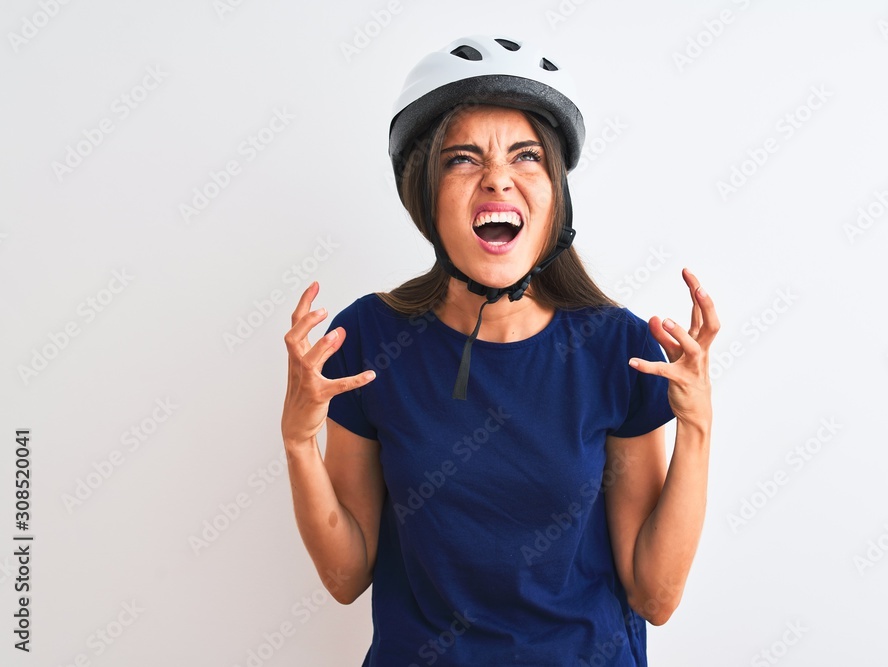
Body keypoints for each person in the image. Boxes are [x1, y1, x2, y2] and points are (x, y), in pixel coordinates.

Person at [281, 35, 719, 666]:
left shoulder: (617, 347)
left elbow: (655, 595)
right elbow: (347, 577)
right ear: (425, 195)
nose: (498, 180)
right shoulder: (371, 340)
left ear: (554, 197)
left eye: (526, 158)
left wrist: (698, 424)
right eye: (463, 159)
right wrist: (299, 442)